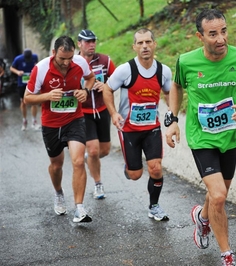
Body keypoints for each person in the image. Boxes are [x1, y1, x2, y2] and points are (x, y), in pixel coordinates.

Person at [165, 9, 236, 266]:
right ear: (200, 36)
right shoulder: (186, 61)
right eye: (213, 34)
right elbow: (176, 86)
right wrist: (173, 119)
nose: (221, 38)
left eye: (224, 31)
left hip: (230, 137)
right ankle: (227, 255)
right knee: (219, 195)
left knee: (217, 194)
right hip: (201, 137)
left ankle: (202, 217)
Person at [102, 28, 172, 221]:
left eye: (148, 42)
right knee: (134, 175)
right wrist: (114, 113)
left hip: (152, 128)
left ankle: (154, 206)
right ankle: (129, 167)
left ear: (154, 44)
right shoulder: (125, 70)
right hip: (129, 130)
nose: (145, 46)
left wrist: (171, 113)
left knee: (156, 168)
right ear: (134, 47)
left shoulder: (163, 71)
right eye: (140, 43)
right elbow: (107, 90)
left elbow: (169, 92)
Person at [24, 36, 96, 223]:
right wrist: (47, 95)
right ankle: (58, 193)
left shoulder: (79, 63)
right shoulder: (40, 69)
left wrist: (85, 91)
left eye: (69, 58)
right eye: (62, 58)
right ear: (53, 53)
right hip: (51, 123)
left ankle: (79, 208)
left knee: (79, 161)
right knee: (57, 165)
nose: (66, 63)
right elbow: (27, 98)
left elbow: (90, 78)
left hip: (75, 119)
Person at [77, 29, 116, 199]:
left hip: (102, 110)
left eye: (93, 41)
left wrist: (106, 86)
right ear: (79, 43)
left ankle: (89, 159)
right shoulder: (73, 63)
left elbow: (117, 81)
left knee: (104, 151)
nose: (91, 44)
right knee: (93, 151)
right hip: (83, 113)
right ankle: (98, 185)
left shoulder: (105, 61)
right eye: (87, 42)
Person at [10, 49, 40, 130]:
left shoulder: (35, 57)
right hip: (22, 84)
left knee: (34, 102)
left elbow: (37, 65)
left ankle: (34, 121)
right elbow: (11, 68)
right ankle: (24, 120)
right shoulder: (18, 59)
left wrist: (34, 71)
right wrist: (18, 72)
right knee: (23, 102)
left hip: (32, 83)